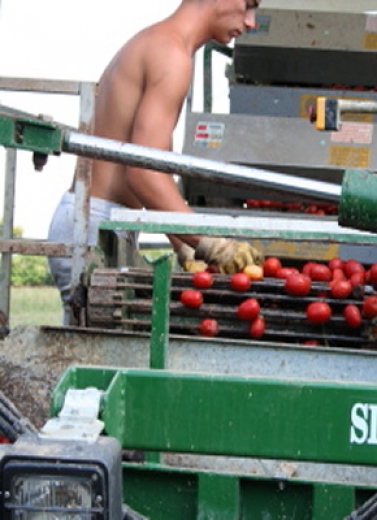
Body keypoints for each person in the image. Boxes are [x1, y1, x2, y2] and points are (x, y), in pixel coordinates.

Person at [47, 0, 264, 321]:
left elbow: (154, 169)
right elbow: (142, 174)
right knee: (98, 356)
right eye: (248, 4)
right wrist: (212, 243)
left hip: (95, 218)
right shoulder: (171, 55)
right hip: (94, 225)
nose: (251, 22)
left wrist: (181, 244)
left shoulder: (158, 43)